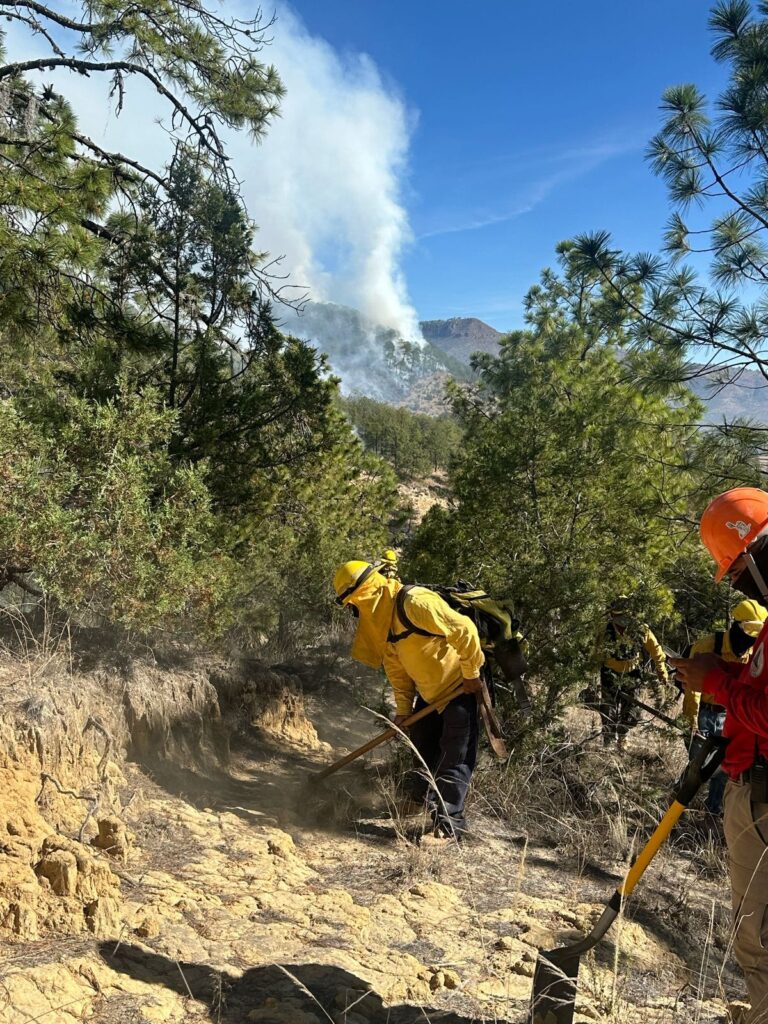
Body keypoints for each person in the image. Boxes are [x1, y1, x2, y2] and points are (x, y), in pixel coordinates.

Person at [672, 487, 768, 1024]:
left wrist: (723, 687)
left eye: (734, 573)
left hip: (763, 799)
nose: (735, 584)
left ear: (752, 556)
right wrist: (723, 678)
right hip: (753, 788)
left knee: (758, 939)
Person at [333, 560, 484, 842]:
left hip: (459, 688)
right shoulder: (384, 624)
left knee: (456, 756)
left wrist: (471, 674)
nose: (355, 614)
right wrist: (403, 711)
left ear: (363, 595)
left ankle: (449, 828)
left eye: (353, 607)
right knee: (422, 747)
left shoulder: (415, 603)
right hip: (430, 695)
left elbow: (464, 630)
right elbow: (398, 671)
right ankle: (417, 803)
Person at [682, 599, 768, 816]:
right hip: (705, 712)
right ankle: (681, 804)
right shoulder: (708, 646)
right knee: (697, 764)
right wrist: (691, 721)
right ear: (735, 624)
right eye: (748, 629)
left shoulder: (754, 649)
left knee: (722, 769)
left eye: (757, 631)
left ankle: (713, 809)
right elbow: (693, 688)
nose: (752, 637)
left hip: (729, 713)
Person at [596, 598, 670, 751]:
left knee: (631, 712)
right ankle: (608, 742)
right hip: (610, 673)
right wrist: (591, 674)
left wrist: (661, 670)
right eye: (617, 616)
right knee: (608, 709)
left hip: (632, 674)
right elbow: (596, 653)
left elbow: (656, 650)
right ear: (612, 615)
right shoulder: (605, 630)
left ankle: (623, 737)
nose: (621, 620)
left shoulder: (641, 629)